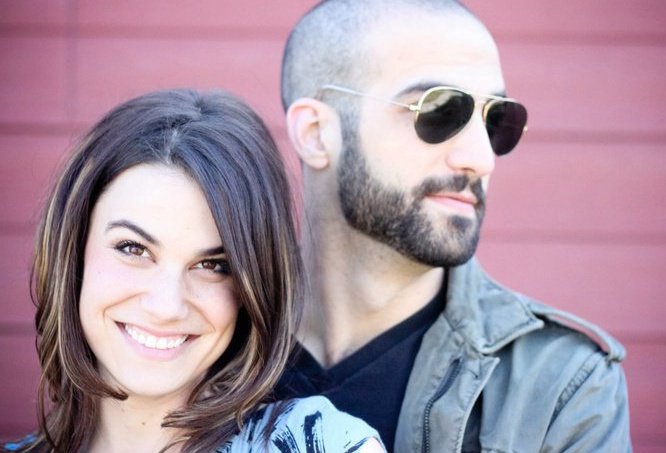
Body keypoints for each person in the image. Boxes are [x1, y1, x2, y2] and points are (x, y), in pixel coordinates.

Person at [274, 0, 632, 451]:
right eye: (439, 111)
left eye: (496, 120)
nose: (482, 159)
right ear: (315, 133)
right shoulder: (205, 343)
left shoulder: (559, 389)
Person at [6, 89, 384, 452]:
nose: (166, 306)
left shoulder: (320, 443)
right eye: (133, 249)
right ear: (73, 252)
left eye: (213, 265)